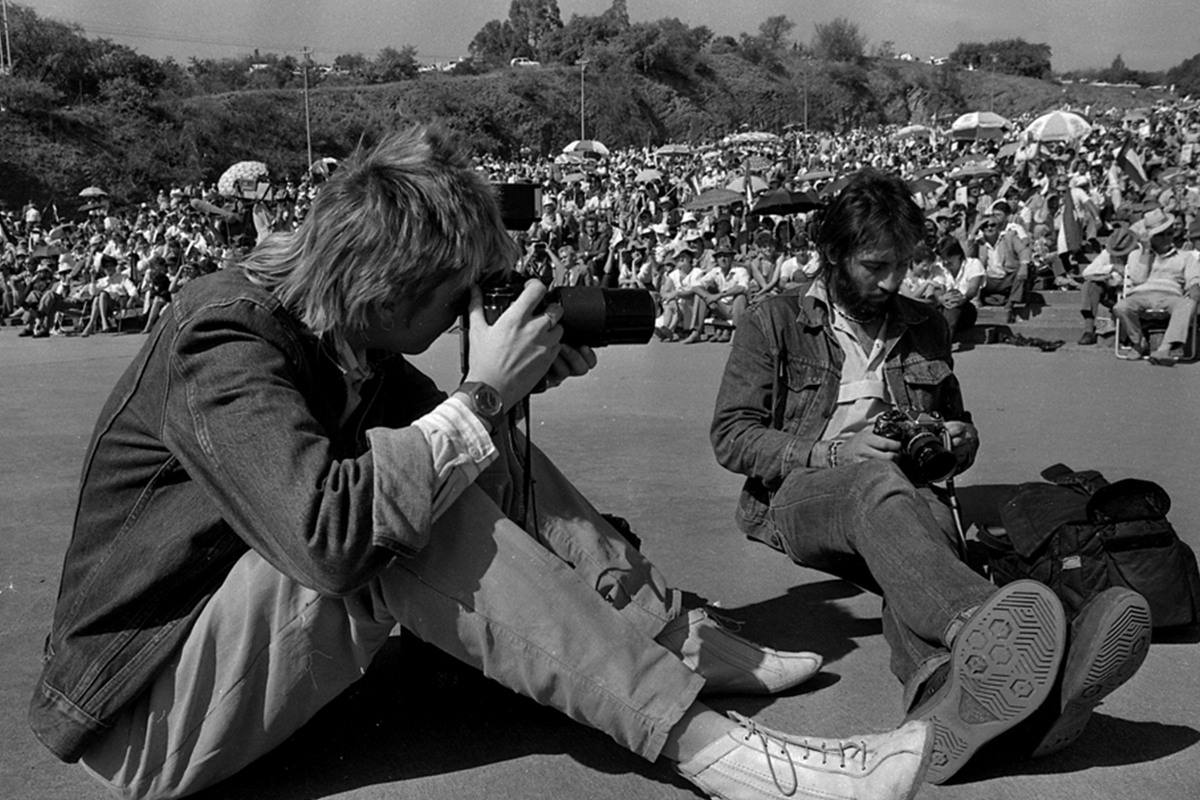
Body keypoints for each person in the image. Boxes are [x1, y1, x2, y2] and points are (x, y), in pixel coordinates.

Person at [30, 127, 933, 800]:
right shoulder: (221, 335)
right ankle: (729, 760)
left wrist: (504, 398)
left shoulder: (350, 336)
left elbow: (469, 449)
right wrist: (483, 395)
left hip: (226, 648)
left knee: (460, 455)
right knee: (410, 516)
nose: (474, 311)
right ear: (387, 291)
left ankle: (678, 638)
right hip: (142, 714)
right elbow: (327, 539)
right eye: (459, 296)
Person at [710, 168, 1150, 786]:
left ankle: (955, 695)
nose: (891, 282)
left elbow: (950, 425)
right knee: (877, 488)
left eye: (902, 265)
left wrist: (959, 441)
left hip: (909, 499)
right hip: (801, 497)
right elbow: (732, 436)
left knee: (909, 558)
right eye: (874, 265)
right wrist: (835, 453)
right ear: (833, 254)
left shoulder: (924, 323)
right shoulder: (775, 320)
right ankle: (983, 622)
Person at [1113, 207, 1200, 365]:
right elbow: (1138, 279)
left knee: (1188, 303)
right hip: (1141, 294)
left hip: (1171, 295)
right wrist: (1146, 251)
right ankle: (1138, 342)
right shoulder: (1136, 255)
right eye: (1160, 235)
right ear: (1150, 237)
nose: (1167, 238)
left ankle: (1164, 349)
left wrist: (1194, 288)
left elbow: (1193, 278)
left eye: (1170, 233)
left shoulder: (1185, 257)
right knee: (1121, 307)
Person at [970, 200, 1033, 323]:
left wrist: (1024, 264)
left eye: (992, 225)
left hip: (1007, 277)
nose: (989, 228)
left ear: (998, 226)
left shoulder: (1009, 236)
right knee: (973, 271)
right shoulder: (979, 243)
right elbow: (967, 254)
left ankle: (1010, 304)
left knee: (1023, 269)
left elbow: (1024, 250)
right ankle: (978, 302)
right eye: (985, 226)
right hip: (988, 280)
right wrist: (974, 229)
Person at [1077, 228, 1137, 345]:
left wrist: (1123, 275)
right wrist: (1111, 267)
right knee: (1090, 285)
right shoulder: (1107, 253)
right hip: (1112, 292)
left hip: (1132, 291)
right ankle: (1089, 330)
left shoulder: (1138, 253)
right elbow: (1086, 273)